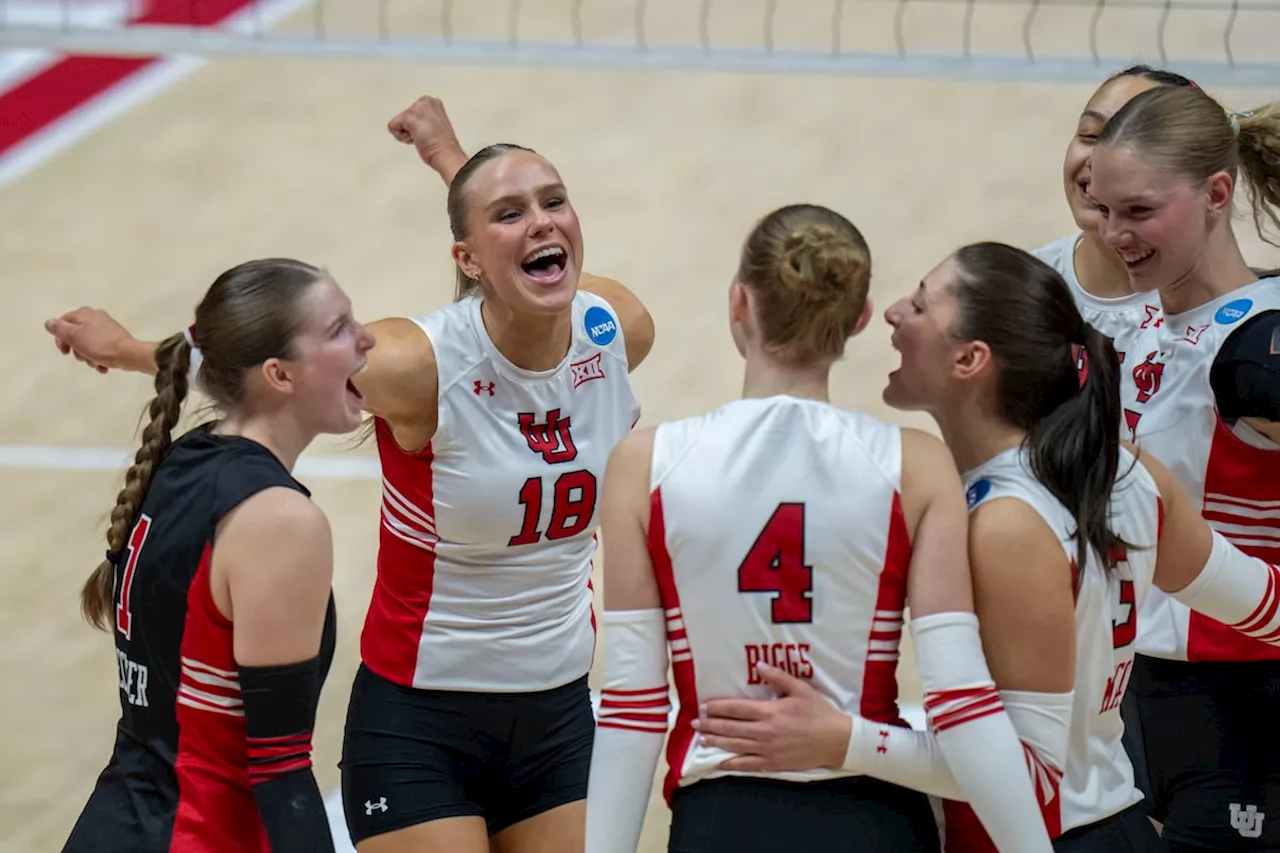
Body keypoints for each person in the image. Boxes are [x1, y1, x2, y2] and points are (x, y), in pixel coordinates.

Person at [45, 95, 656, 853]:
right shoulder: (418, 364)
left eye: (556, 202)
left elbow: (523, 256)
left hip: (559, 711)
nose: (542, 221)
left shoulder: (617, 325)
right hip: (422, 721)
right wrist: (136, 348)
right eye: (508, 213)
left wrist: (451, 158)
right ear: (465, 256)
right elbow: (277, 367)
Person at [693, 243, 1280, 851]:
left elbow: (1028, 775)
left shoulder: (1004, 524)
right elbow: (1267, 606)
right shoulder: (1123, 472)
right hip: (1108, 823)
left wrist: (842, 738)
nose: (894, 313)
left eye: (920, 304)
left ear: (970, 359)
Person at [583, 205, 1056, 853]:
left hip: (723, 820)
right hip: (874, 814)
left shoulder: (644, 464)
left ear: (738, 303)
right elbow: (964, 701)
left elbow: (633, 709)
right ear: (859, 320)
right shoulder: (915, 463)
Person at [57, 258, 375, 853]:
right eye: (338, 329)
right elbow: (279, 771)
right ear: (278, 374)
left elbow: (225, 368)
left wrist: (128, 348)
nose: (367, 339)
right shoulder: (279, 521)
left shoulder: (184, 460)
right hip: (201, 836)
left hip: (117, 821)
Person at [1083, 84, 1280, 851]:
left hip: (1245, 717)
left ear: (1217, 194)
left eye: (1139, 212)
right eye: (1103, 210)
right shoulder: (1135, 329)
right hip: (1131, 701)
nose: (1114, 234)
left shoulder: (1258, 347)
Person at [1031, 64, 1196, 349]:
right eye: (1090, 135)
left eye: (1132, 142)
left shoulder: (1223, 311)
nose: (1098, 161)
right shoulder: (1025, 286)